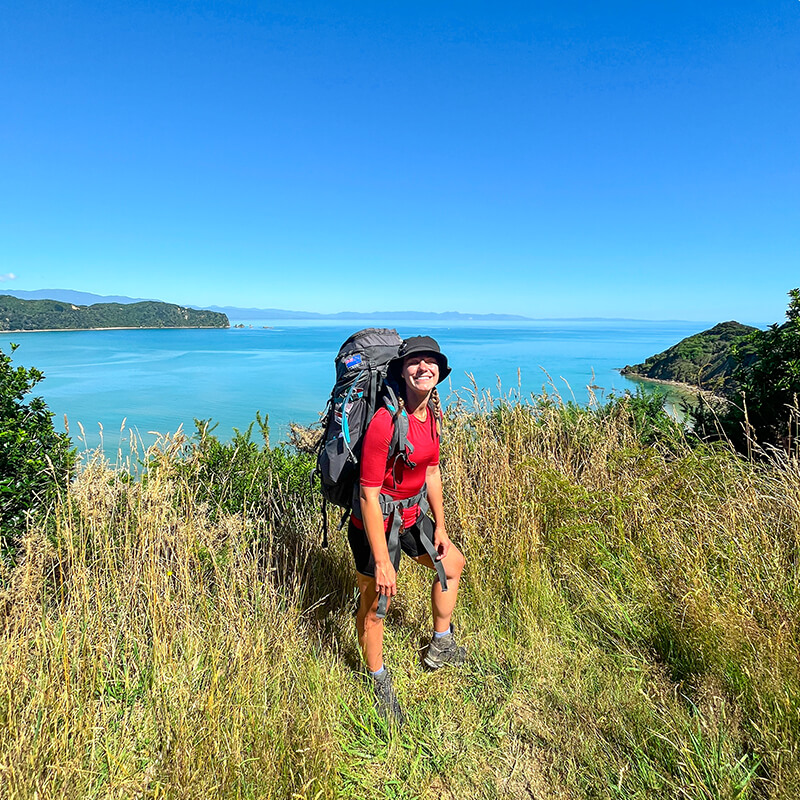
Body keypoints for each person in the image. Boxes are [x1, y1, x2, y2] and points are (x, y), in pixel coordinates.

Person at [347, 335, 466, 724]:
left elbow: (431, 470)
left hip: (411, 516)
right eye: (415, 361)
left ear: (439, 372)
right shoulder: (385, 422)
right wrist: (382, 561)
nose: (423, 367)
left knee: (452, 565)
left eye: (431, 362)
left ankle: (441, 643)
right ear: (401, 369)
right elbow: (367, 494)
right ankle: (377, 680)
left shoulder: (431, 414)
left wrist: (442, 527)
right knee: (377, 606)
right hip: (374, 525)